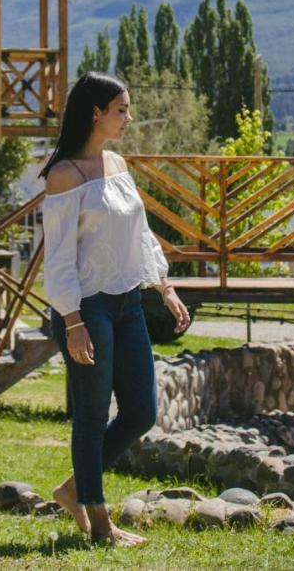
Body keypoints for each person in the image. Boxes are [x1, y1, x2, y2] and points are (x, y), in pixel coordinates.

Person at [40, 71, 190, 547]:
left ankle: (73, 489)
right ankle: (100, 524)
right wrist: (72, 322)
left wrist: (163, 286)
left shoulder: (118, 164)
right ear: (95, 113)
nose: (129, 118)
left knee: (142, 411)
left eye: (127, 109)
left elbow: (139, 235)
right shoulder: (65, 175)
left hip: (128, 303)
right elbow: (59, 257)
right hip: (86, 308)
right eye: (121, 109)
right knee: (90, 413)